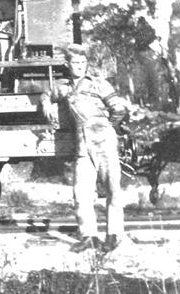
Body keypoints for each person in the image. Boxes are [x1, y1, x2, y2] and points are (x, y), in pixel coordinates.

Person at [43, 44, 128, 252]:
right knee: (81, 193)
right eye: (75, 62)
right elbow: (47, 94)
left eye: (83, 62)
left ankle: (114, 235)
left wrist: (107, 127)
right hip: (82, 146)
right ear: (67, 64)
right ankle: (89, 237)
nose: (80, 66)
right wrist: (46, 104)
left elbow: (118, 109)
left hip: (105, 142)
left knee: (112, 189)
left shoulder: (99, 84)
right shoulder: (64, 87)